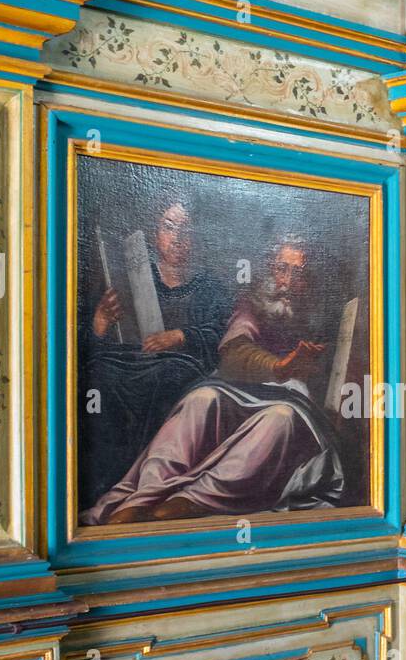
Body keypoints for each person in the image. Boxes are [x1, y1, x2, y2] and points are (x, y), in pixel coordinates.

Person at [83, 237, 346, 524]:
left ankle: (192, 500)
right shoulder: (255, 305)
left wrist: (305, 367)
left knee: (280, 418)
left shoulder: (324, 316)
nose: (287, 280)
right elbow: (235, 352)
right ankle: (142, 496)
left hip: (297, 407)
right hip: (245, 390)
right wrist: (279, 366)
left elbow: (334, 374)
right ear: (271, 270)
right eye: (282, 269)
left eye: (298, 274)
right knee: (201, 398)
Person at [80, 199, 230, 506]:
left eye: (185, 230)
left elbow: (222, 336)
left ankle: (149, 487)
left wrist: (179, 336)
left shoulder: (209, 286)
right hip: (128, 364)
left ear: (196, 237)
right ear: (155, 233)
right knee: (102, 378)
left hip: (182, 369)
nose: (176, 237)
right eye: (168, 227)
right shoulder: (130, 277)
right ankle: (107, 486)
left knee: (166, 377)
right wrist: (100, 321)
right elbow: (86, 342)